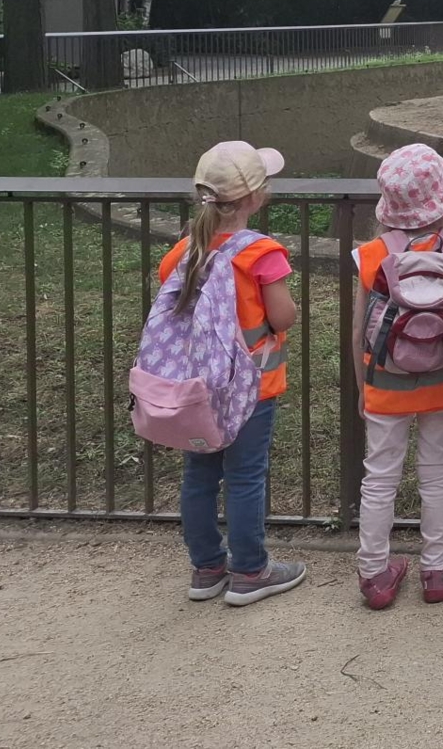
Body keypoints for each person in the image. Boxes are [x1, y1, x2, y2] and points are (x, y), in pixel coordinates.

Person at [158, 141, 306, 606]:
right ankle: (250, 571)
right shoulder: (262, 254)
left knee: (199, 475)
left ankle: (206, 568)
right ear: (254, 198)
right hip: (251, 390)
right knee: (245, 476)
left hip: (196, 392)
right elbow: (281, 318)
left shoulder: (181, 253)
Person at [353, 144, 443, 609]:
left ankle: (375, 574)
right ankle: (437, 567)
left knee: (380, 476)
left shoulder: (371, 254)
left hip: (385, 381)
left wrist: (363, 386)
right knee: (437, 472)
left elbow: (360, 329)